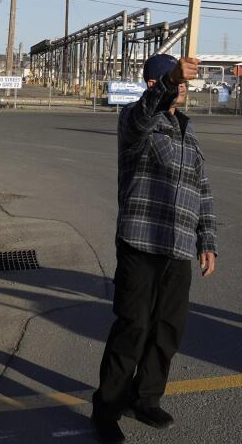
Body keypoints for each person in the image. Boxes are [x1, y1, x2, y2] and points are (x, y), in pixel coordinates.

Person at [92, 54, 218, 443]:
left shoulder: (187, 129)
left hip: (178, 246)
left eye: (181, 82)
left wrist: (207, 239)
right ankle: (106, 409)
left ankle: (145, 399)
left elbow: (203, 189)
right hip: (141, 241)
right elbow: (146, 114)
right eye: (172, 81)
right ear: (152, 84)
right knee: (133, 327)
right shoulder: (135, 120)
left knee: (167, 330)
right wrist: (169, 81)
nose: (181, 87)